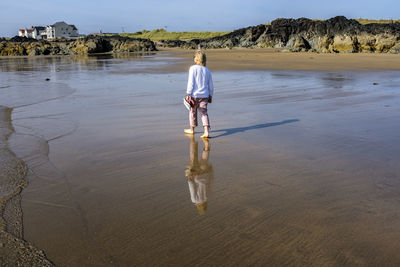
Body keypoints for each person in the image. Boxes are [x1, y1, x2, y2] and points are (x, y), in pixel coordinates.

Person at [184, 50, 214, 138]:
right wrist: (210, 95)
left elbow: (191, 82)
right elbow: (210, 85)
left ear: (196, 59)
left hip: (194, 95)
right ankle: (206, 132)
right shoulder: (207, 70)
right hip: (205, 95)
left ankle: (192, 129)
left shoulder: (193, 68)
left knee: (192, 112)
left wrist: (188, 93)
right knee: (204, 113)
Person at [185, 135, 213, 215]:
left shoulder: (208, 197)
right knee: (192, 160)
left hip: (207, 174)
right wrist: (189, 178)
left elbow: (210, 183)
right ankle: (193, 143)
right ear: (198, 206)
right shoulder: (194, 200)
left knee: (204, 160)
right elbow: (192, 187)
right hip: (198, 176)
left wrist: (210, 172)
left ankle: (206, 146)